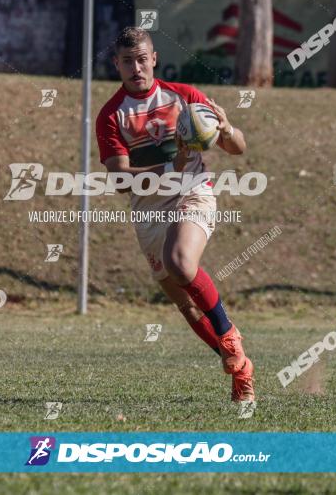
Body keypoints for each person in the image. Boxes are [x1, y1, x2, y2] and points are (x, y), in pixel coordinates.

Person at [95, 26, 255, 402]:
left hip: (193, 193)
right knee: (187, 307)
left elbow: (237, 148)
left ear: (154, 59)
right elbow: (121, 179)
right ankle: (240, 369)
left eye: (142, 59)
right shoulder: (111, 115)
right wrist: (170, 167)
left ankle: (229, 335)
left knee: (180, 262)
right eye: (127, 61)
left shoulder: (184, 97)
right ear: (117, 64)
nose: (136, 68)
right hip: (148, 209)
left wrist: (226, 126)